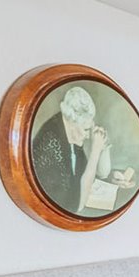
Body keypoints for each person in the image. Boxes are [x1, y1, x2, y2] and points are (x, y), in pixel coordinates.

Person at [29, 84, 111, 215]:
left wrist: (104, 148)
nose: (88, 135)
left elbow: (98, 174)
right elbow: (76, 206)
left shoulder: (70, 132)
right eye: (86, 129)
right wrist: (95, 151)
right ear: (72, 122)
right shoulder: (51, 146)